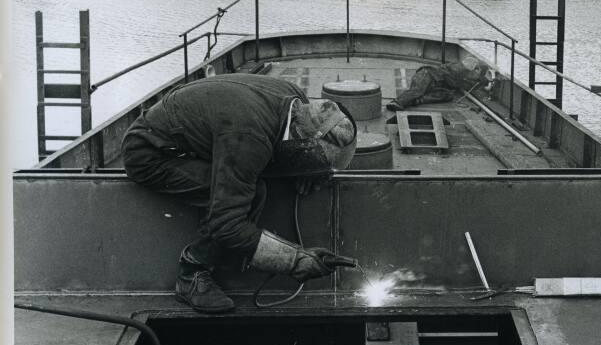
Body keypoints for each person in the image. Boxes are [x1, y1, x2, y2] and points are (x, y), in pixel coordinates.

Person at [121, 73, 357, 313]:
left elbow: (294, 141)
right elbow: (226, 223)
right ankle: (191, 274)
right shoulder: (248, 138)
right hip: (152, 154)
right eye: (313, 155)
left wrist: (311, 169)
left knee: (252, 179)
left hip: (204, 134)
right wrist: (294, 260)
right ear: (301, 139)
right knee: (253, 194)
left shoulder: (296, 97)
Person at [386, 56, 491, 111]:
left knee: (448, 95)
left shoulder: (464, 77)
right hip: (427, 74)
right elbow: (460, 75)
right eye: (478, 73)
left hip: (435, 85)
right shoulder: (458, 70)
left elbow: (467, 83)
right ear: (474, 70)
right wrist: (478, 80)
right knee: (417, 90)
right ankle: (397, 102)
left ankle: (416, 101)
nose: (477, 76)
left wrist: (480, 82)